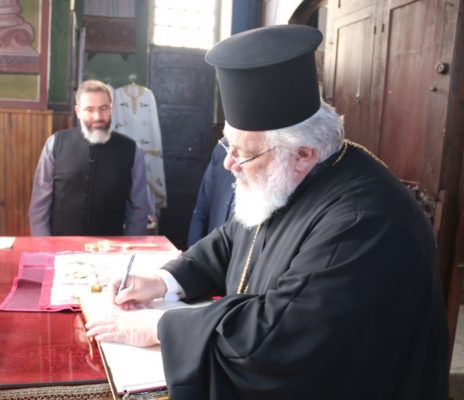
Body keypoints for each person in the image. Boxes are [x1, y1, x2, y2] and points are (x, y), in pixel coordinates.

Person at [85, 25, 448, 399]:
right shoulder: (293, 175)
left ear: (302, 154)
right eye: (228, 146)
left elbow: (279, 335)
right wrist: (163, 281)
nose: (228, 164)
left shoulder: (363, 221)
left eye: (243, 153)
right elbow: (230, 240)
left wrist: (159, 327)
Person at [29, 80, 149, 236]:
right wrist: (43, 244)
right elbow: (39, 206)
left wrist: (131, 247)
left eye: (103, 108)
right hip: (61, 246)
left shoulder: (132, 150)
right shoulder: (55, 144)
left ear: (111, 109)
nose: (97, 116)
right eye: (89, 109)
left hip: (112, 247)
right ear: (78, 111)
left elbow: (139, 209)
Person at [186, 144, 235, 247]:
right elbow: (202, 209)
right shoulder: (222, 149)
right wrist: (195, 249)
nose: (228, 163)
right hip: (213, 249)